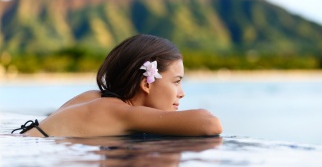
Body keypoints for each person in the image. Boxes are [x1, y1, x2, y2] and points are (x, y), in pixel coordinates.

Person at [11, 34, 222, 137]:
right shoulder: (118, 111)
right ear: (146, 84)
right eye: (176, 82)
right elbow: (210, 124)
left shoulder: (94, 97)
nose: (182, 94)